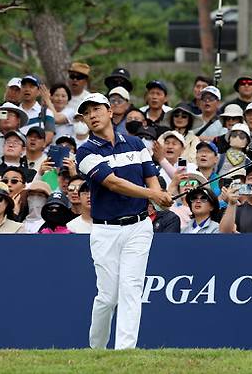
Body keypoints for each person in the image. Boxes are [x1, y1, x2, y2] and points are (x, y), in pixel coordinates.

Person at [75, 92, 172, 350]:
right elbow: (113, 183)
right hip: (106, 230)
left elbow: (150, 175)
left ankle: (124, 352)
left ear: (110, 111)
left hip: (139, 227)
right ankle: (96, 350)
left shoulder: (137, 144)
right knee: (108, 297)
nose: (92, 115)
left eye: (96, 109)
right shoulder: (84, 152)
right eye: (87, 112)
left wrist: (158, 196)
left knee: (131, 289)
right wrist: (153, 194)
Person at [20, 75, 55, 144]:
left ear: (39, 91)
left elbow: (49, 136)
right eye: (24, 86)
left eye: (31, 87)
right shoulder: (14, 110)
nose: (27, 89)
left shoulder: (47, 112)